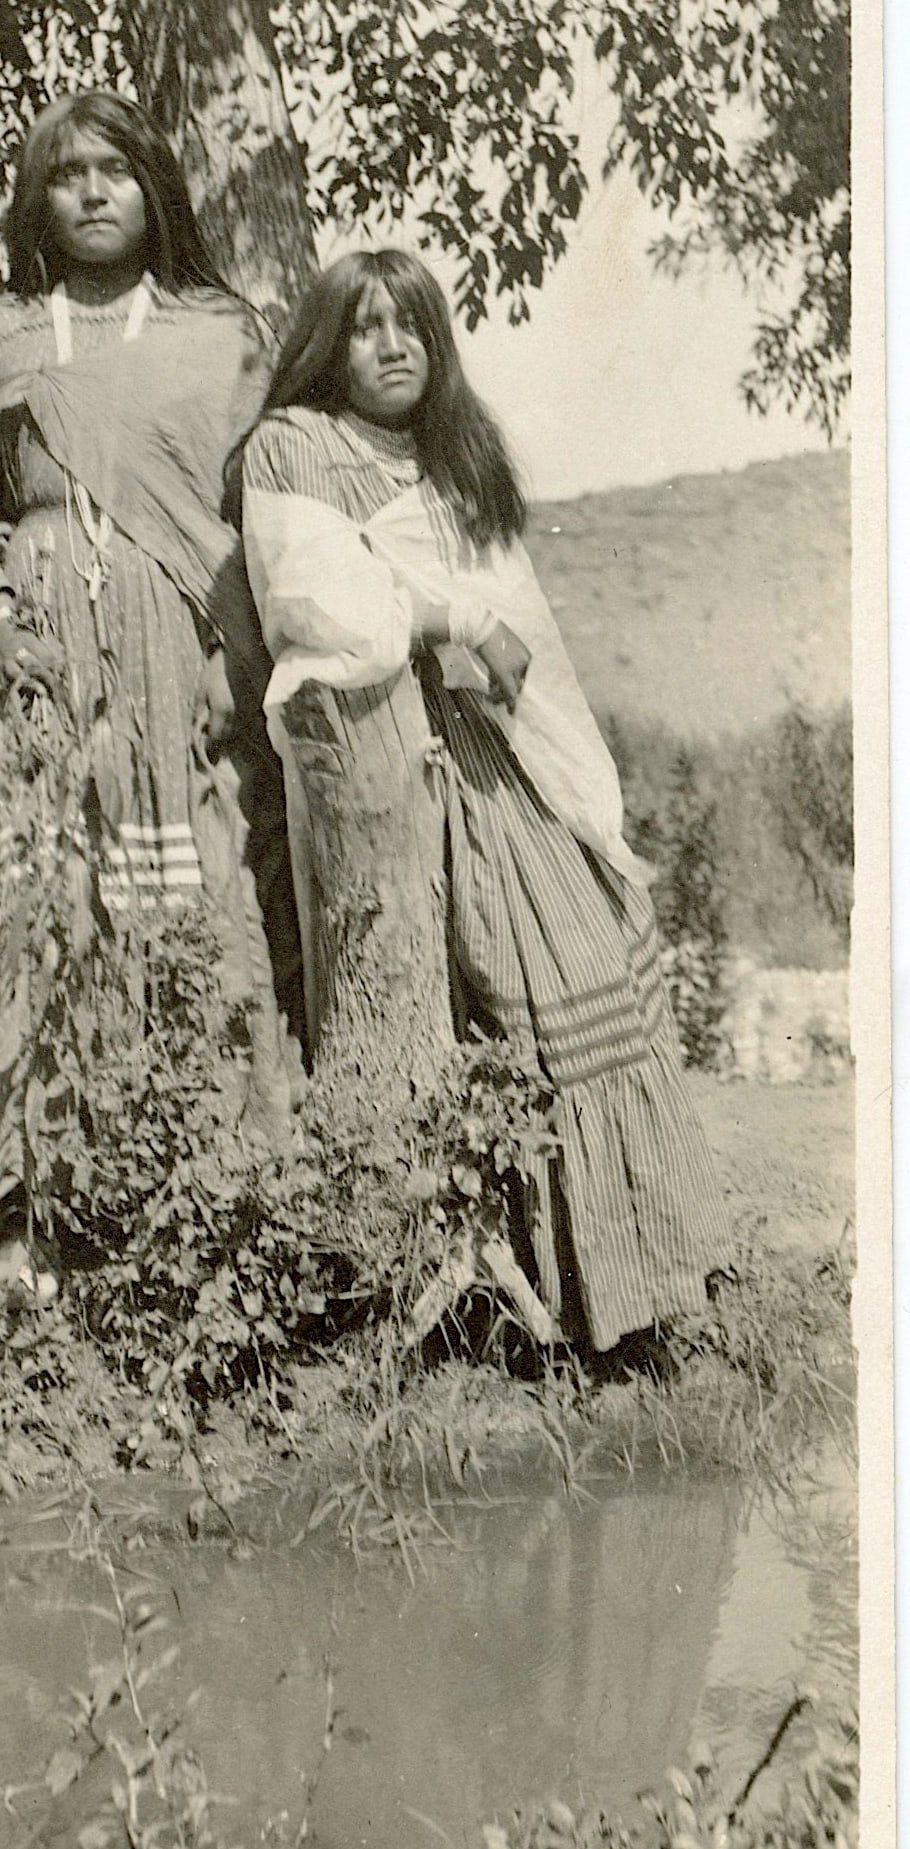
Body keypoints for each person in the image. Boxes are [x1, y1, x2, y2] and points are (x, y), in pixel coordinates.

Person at [239, 249, 731, 1361]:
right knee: (498, 985)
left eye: (411, 323)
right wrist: (453, 618)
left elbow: (524, 639)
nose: (392, 346)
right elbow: (319, 603)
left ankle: (634, 1284)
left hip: (484, 745)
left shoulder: (458, 453)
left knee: (578, 965)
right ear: (327, 346)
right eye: (363, 327)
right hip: (389, 754)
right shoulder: (295, 450)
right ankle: (517, 1296)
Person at [0, 91, 301, 1304]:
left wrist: (235, 664)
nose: (89, 191)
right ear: (38, 198)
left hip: (174, 653)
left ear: (155, 187)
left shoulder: (224, 331)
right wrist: (3, 619)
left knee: (170, 900)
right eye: (64, 172)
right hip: (38, 659)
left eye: (114, 169)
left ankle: (183, 1186)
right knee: (34, 908)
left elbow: (260, 513)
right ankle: (16, 1217)